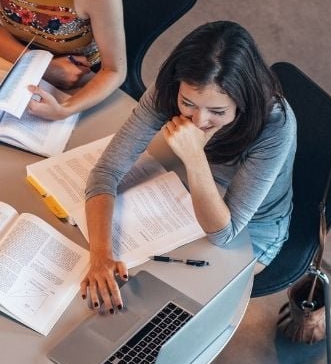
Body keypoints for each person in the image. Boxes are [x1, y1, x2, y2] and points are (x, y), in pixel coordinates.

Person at [82, 21, 297, 310]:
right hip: (184, 194)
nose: (198, 121)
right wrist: (100, 255)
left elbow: (225, 233)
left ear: (243, 102)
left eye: (217, 111)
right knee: (132, 284)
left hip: (254, 226)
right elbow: (106, 172)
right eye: (188, 104)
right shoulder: (170, 89)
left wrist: (194, 156)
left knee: (168, 303)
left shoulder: (276, 125)